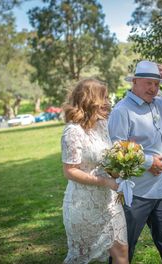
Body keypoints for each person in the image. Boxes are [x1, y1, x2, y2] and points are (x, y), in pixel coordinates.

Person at [108, 60, 162, 263]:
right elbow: (117, 149)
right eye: (148, 83)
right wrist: (148, 161)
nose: (153, 89)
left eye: (156, 84)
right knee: (124, 246)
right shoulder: (122, 110)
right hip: (136, 192)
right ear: (134, 82)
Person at [61, 79, 128, 263]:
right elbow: (70, 171)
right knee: (80, 258)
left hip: (110, 203)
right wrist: (106, 182)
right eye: (103, 98)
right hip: (83, 205)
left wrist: (120, 167)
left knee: (121, 251)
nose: (108, 102)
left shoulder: (103, 125)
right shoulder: (72, 132)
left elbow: (107, 157)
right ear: (89, 100)